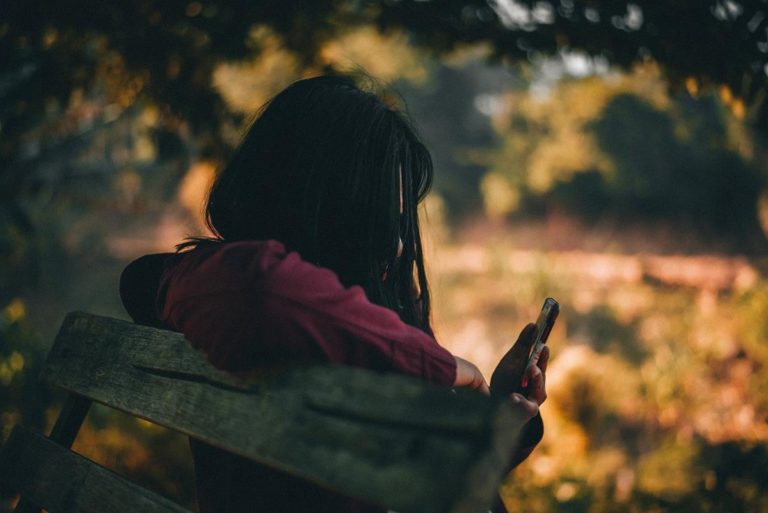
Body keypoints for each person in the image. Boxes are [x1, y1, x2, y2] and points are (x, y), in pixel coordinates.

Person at [120, 74, 549, 513]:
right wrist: (453, 371)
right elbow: (261, 290)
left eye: (400, 221)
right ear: (323, 201)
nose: (397, 243)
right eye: (384, 216)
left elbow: (431, 481)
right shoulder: (251, 295)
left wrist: (495, 416)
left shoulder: (355, 322)